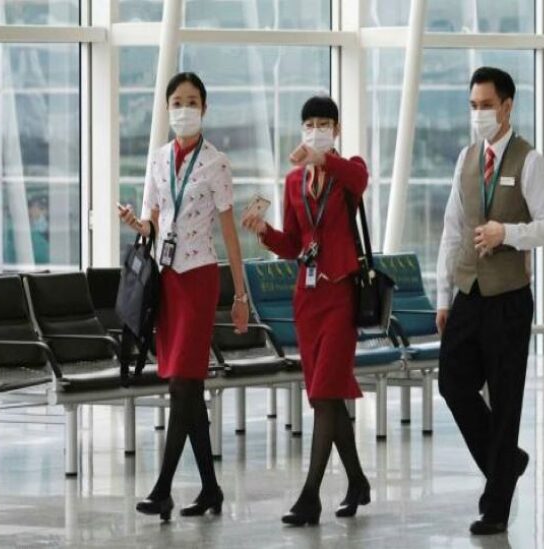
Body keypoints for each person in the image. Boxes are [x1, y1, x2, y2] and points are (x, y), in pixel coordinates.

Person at [118, 72, 250, 522]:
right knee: (186, 387)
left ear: (205, 108)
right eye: (176, 101)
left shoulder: (216, 163)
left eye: (192, 101)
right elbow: (155, 221)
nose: (184, 108)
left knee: (182, 383)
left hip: (199, 278)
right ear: (166, 107)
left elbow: (230, 235)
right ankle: (211, 489)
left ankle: (162, 489)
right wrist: (139, 226)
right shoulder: (157, 160)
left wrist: (241, 295)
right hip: (167, 279)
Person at [435, 67, 544, 536]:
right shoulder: (466, 159)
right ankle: (508, 461)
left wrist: (507, 233)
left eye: (486, 105)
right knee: (453, 384)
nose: (479, 114)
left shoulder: (530, 161)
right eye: (473, 106)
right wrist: (443, 295)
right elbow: (451, 230)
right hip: (468, 294)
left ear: (507, 106)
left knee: (506, 402)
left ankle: (495, 507)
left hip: (509, 298)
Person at [241, 96, 371, 526]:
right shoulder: (294, 181)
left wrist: (324, 157)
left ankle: (310, 494)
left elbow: (359, 180)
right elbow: (295, 244)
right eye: (310, 123)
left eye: (324, 123)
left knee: (326, 393)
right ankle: (357, 480)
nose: (315, 129)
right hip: (307, 298)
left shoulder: (348, 168)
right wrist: (265, 233)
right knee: (325, 397)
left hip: (340, 295)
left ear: (335, 129)